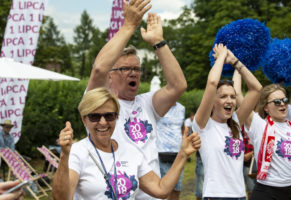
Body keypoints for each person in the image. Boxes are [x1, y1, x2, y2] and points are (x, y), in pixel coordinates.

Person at [87, 1, 187, 199]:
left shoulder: (147, 102)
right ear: (110, 76)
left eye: (136, 69)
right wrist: (129, 25)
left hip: (151, 193)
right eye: (125, 69)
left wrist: (158, 42)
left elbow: (178, 86)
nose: (133, 73)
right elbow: (99, 68)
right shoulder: (99, 102)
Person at [52, 87, 201, 200]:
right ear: (84, 119)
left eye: (109, 116)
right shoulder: (77, 152)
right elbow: (61, 198)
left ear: (117, 117)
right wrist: (65, 155)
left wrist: (182, 155)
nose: (103, 122)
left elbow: (160, 190)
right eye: (94, 117)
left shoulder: (131, 151)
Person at [192, 43, 262, 199]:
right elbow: (211, 83)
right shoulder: (203, 124)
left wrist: (235, 61)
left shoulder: (236, 122)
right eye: (223, 96)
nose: (229, 100)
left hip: (239, 196)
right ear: (213, 101)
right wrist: (222, 56)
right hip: (215, 196)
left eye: (232, 96)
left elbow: (256, 89)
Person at [244, 84, 291, 200]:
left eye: (284, 100)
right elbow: (241, 98)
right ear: (266, 108)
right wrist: (238, 66)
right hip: (266, 192)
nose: (283, 103)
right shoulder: (260, 125)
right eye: (277, 102)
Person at [232, 69, 256, 199]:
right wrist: (237, 67)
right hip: (239, 161)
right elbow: (237, 93)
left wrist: (251, 154)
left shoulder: (257, 121)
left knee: (253, 191)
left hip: (253, 162)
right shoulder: (235, 120)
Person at [156, 102, 185, 200]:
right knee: (163, 190)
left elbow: (182, 127)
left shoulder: (182, 108)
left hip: (178, 153)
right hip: (161, 152)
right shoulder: (159, 107)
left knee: (177, 189)